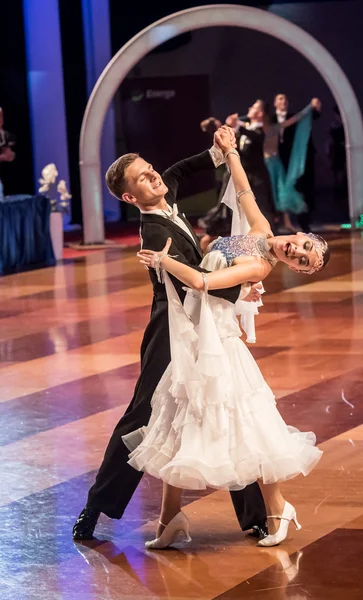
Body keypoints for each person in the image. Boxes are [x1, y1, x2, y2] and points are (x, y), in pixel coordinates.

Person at [124, 126, 329, 550]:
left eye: (304, 261)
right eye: (304, 245)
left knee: (242, 424)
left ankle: (278, 509)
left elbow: (202, 282)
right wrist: (230, 149)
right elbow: (243, 189)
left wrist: (165, 261)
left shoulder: (259, 268)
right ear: (300, 234)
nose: (297, 251)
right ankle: (169, 521)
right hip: (199, 337)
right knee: (183, 420)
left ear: (300, 269)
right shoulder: (259, 229)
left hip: (218, 344)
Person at [72, 138, 266, 541]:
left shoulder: (165, 193)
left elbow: (176, 171)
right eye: (143, 177)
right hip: (171, 328)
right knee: (143, 416)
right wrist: (240, 287)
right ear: (130, 196)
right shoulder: (153, 234)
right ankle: (96, 507)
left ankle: (256, 516)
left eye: (149, 168)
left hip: (201, 319)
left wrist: (216, 152)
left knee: (222, 403)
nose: (154, 176)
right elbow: (194, 283)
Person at [263, 98, 321, 233]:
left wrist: (309, 108)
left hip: (277, 163)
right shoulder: (258, 127)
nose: (284, 101)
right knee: (271, 193)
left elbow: (295, 119)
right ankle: (275, 224)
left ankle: (290, 222)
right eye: (280, 99)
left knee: (282, 192)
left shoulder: (275, 126)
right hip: (265, 164)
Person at [225, 99, 276, 228]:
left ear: (260, 113)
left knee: (263, 205)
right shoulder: (246, 127)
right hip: (246, 174)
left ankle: (270, 236)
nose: (249, 108)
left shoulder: (261, 129)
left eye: (253, 107)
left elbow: (255, 136)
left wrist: (238, 124)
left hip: (257, 176)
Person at [198, 117, 232, 251]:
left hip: (226, 178)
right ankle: (200, 259)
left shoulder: (218, 139)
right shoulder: (221, 139)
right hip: (227, 178)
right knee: (221, 212)